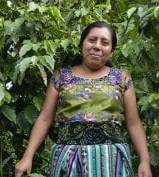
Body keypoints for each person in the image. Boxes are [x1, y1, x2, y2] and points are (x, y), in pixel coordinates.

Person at [15, 21, 152, 177]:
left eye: (105, 43)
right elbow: (45, 119)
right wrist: (27, 156)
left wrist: (145, 161)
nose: (97, 46)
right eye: (92, 40)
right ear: (82, 44)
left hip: (112, 161)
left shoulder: (122, 79)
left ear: (112, 51)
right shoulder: (61, 77)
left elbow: (133, 122)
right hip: (68, 159)